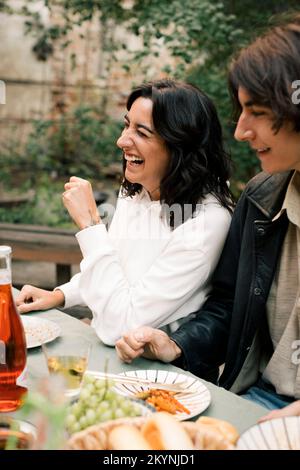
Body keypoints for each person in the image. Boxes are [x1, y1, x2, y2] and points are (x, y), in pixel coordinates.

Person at [115, 15, 300, 415]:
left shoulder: (211, 216)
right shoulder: (260, 201)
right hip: (257, 398)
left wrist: (88, 228)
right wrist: (178, 343)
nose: (241, 130)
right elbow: (227, 305)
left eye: (258, 111)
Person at [16, 79, 232, 346]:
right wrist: (63, 294)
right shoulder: (139, 188)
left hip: (165, 374)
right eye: (126, 125)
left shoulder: (206, 223)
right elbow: (116, 269)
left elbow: (119, 326)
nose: (122, 141)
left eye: (141, 132)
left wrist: (91, 225)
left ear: (180, 147)